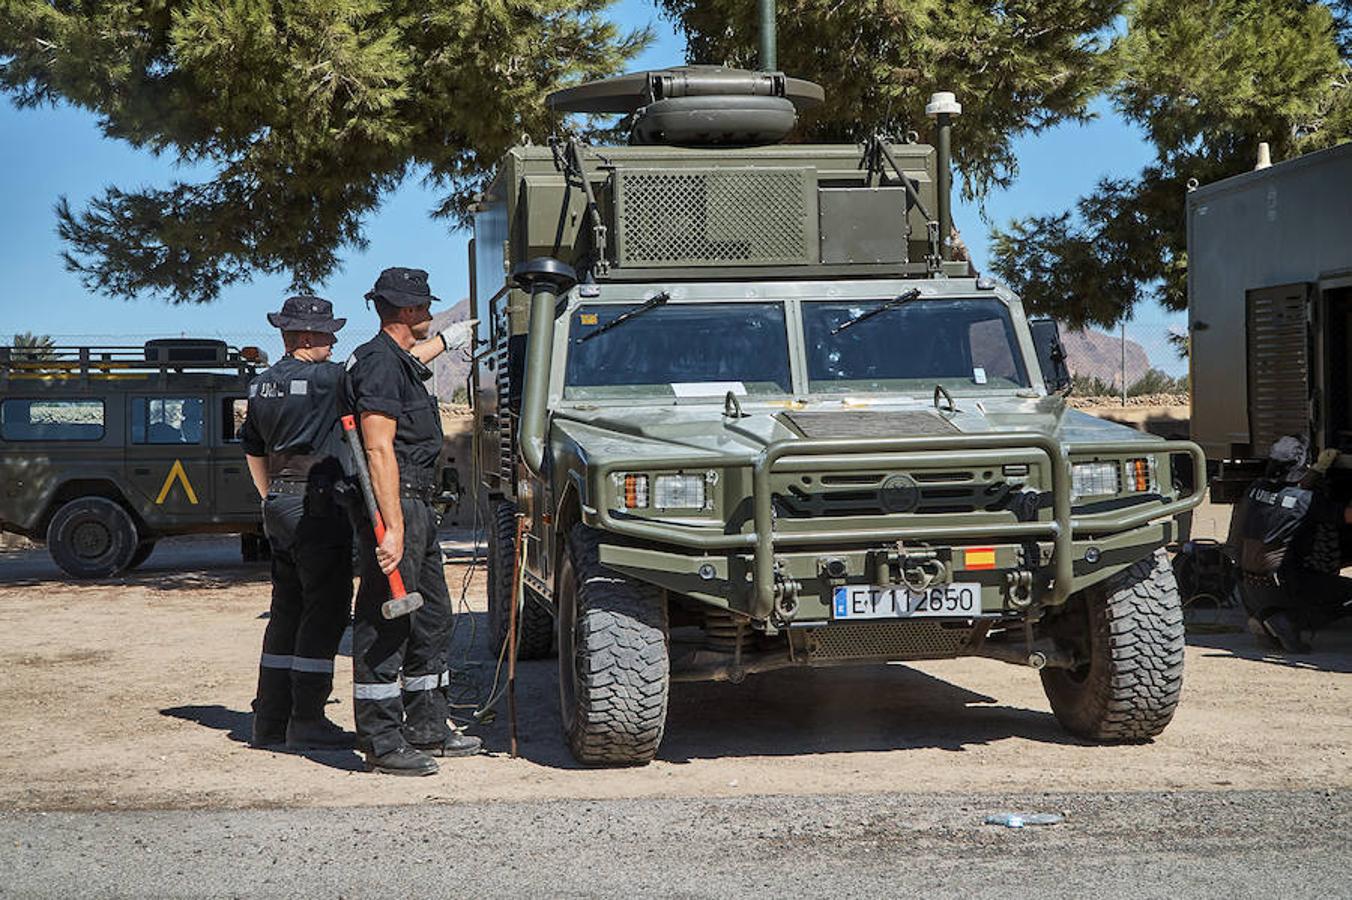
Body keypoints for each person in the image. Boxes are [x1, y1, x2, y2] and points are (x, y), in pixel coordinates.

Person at [341, 267, 479, 775]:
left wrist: (446, 341)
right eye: (423, 309)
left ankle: (427, 726)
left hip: (418, 503)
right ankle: (381, 739)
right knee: (386, 621)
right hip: (396, 501)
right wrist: (392, 528)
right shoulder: (379, 363)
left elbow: (414, 362)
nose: (427, 315)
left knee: (432, 617)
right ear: (406, 312)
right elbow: (378, 448)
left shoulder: (392, 358)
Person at [241, 296, 355, 749]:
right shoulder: (328, 379)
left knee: (286, 611)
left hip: (279, 502)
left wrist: (270, 496)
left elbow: (251, 449)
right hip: (317, 502)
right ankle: (307, 718)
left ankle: (270, 721)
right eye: (328, 333)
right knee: (324, 611)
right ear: (306, 337)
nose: (334, 340)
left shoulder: (261, 385)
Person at [1229, 434, 1352, 653]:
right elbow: (1347, 516)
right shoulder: (1305, 501)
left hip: (1250, 590)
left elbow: (1289, 492)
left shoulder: (1256, 488)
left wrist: (1317, 471)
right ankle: (1291, 620)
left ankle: (1268, 617)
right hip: (1285, 586)